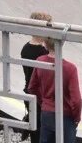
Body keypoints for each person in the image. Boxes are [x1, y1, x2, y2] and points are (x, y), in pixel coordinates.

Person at [26, 38, 82, 143]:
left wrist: (44, 102)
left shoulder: (40, 61)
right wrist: (77, 118)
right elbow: (76, 100)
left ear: (45, 44)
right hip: (66, 116)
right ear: (62, 43)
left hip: (47, 113)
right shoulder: (70, 68)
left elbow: (32, 87)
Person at [20, 12, 51, 143]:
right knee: (44, 130)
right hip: (41, 96)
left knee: (35, 130)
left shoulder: (25, 48)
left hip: (28, 92)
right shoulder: (43, 53)